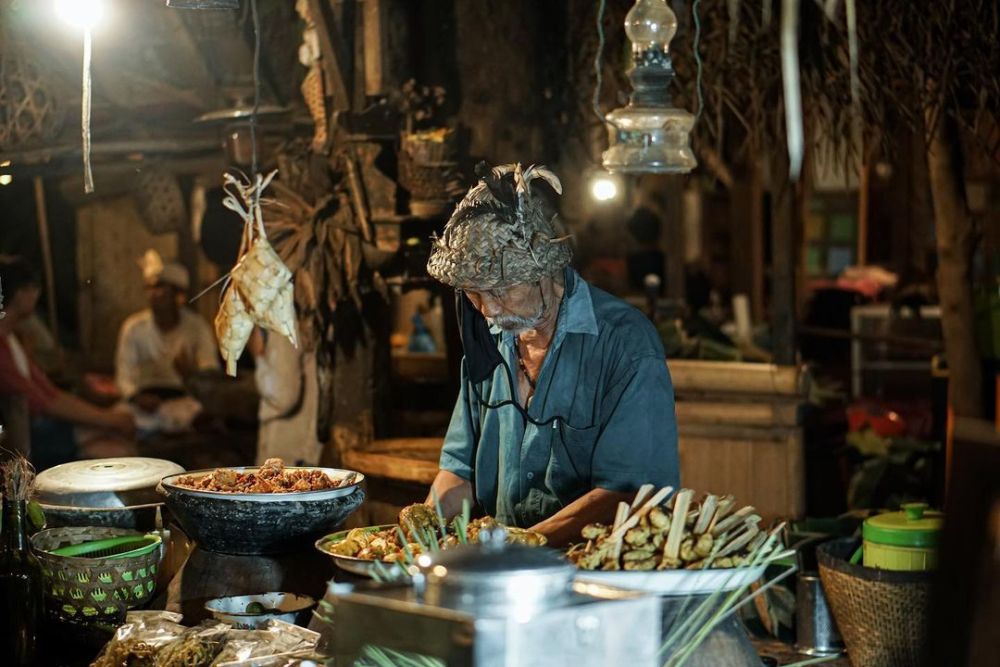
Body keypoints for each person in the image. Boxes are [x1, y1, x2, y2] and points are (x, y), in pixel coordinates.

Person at [424, 163, 680, 546]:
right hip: (500, 569)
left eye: (500, 290)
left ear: (545, 272)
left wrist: (518, 548)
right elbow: (460, 470)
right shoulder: (490, 338)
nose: (488, 310)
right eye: (475, 294)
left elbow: (631, 492)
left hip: (591, 574)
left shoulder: (625, 345)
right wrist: (419, 530)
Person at [0, 255, 135, 469]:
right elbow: (41, 401)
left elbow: (47, 391)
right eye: (33, 289)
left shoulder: (12, 338)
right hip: (23, 440)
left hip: (39, 429)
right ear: (20, 294)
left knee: (117, 445)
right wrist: (108, 420)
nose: (36, 295)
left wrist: (109, 418)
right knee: (117, 449)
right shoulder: (3, 345)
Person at [114, 250, 219, 434]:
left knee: (200, 416)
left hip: (183, 401)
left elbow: (210, 370)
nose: (154, 294)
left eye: (161, 288)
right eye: (150, 288)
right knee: (119, 419)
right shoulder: (133, 328)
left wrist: (192, 375)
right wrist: (135, 397)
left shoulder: (197, 327)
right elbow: (124, 376)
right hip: (143, 405)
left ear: (178, 296)